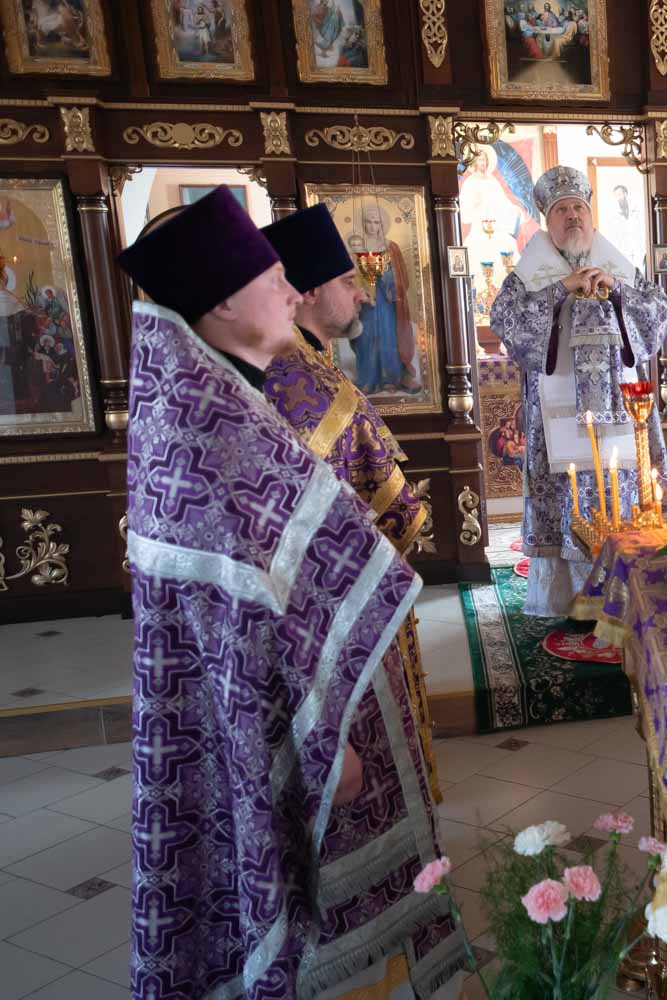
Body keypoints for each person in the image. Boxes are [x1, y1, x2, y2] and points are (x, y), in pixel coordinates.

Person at [117, 187, 463, 997]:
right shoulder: (211, 433)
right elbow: (245, 620)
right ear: (223, 303)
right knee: (277, 896)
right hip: (276, 723)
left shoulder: (221, 400)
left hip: (291, 709)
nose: (289, 288)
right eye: (271, 276)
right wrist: (323, 744)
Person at [259, 203, 442, 802]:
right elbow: (386, 507)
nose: (364, 294)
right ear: (309, 291)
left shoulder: (298, 363)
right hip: (337, 608)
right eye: (347, 281)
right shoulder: (306, 383)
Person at [490, 165, 667, 617]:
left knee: (624, 494)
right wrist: (561, 290)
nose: (572, 216)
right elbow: (505, 320)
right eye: (562, 210)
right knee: (565, 496)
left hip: (622, 410)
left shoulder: (618, 266)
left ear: (591, 216)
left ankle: (628, 593)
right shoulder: (530, 274)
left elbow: (659, 314)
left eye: (579, 208)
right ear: (547, 220)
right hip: (558, 415)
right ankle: (570, 601)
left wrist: (616, 290)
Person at [351, 201, 418, 394]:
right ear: (363, 224)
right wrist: (361, 287)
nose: (372, 226)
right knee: (365, 338)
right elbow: (351, 275)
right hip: (367, 303)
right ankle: (368, 379)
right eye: (368, 222)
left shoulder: (391, 248)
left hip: (386, 301)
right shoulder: (357, 247)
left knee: (388, 338)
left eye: (376, 222)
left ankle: (391, 378)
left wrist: (386, 275)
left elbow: (402, 278)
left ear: (382, 225)